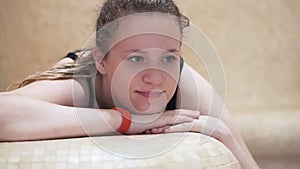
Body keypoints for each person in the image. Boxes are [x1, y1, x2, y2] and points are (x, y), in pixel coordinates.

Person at [0, 0, 258, 168]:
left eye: (168, 57)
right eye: (136, 58)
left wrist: (221, 132)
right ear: (102, 61)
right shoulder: (82, 81)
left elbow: (249, 163)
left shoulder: (184, 83)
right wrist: (125, 120)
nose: (155, 77)